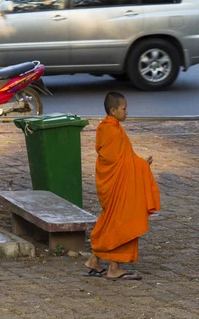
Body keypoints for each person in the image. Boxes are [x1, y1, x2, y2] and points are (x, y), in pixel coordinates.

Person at [84, 92, 161, 280]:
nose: (127, 112)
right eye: (124, 108)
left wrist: (141, 163)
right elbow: (114, 160)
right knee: (122, 221)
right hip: (117, 185)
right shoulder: (111, 130)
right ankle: (113, 269)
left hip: (115, 183)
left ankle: (94, 261)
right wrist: (142, 166)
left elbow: (122, 158)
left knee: (110, 221)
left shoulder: (109, 127)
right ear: (113, 110)